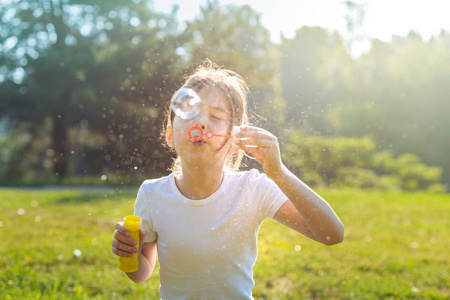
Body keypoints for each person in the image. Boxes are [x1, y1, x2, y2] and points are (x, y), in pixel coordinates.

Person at [112, 60, 344, 299]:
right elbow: (142, 273)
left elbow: (332, 235)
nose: (201, 123)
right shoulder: (152, 195)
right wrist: (130, 253)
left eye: (215, 115)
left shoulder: (253, 189)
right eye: (189, 111)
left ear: (235, 139)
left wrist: (279, 173)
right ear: (170, 134)